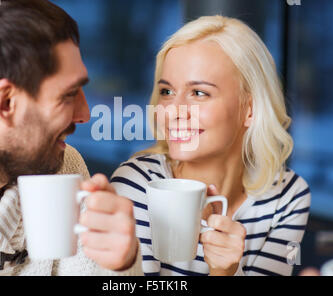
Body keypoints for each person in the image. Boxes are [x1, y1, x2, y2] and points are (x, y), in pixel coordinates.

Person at [0, 0, 141, 275]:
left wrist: (119, 266)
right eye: (68, 94)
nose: (86, 115)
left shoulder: (64, 168)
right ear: (7, 102)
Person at [111, 15, 311, 276]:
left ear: (250, 109)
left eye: (199, 93)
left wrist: (226, 272)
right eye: (167, 92)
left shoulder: (288, 197)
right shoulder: (135, 185)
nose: (174, 111)